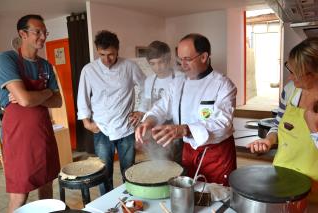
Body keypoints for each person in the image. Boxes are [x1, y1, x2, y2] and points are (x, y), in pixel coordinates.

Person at [135, 33, 237, 186]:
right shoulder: (178, 84)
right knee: (191, 192)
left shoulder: (223, 85)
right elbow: (161, 107)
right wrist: (148, 122)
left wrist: (184, 130)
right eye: (180, 59)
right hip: (188, 149)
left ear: (204, 57)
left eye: (187, 59)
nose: (182, 65)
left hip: (216, 153)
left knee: (217, 196)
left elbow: (223, 124)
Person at [0, 14, 62, 212]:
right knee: (19, 195)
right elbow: (24, 100)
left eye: (45, 32)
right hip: (19, 137)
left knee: (47, 187)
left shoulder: (46, 66)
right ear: (22, 33)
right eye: (38, 32)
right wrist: (46, 93)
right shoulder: (6, 59)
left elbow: (58, 101)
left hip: (43, 134)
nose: (43, 37)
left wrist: (35, 95)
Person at [247, 37, 318, 203]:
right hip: (281, 176)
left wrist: (314, 130)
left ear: (314, 74)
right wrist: (268, 141)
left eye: (295, 73)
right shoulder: (290, 91)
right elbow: (278, 124)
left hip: (313, 186)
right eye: (289, 69)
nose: (289, 78)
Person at [77, 30, 146, 194]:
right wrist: (87, 123)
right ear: (97, 50)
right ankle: (107, 205)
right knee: (104, 173)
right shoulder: (89, 70)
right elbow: (83, 97)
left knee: (129, 170)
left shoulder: (129, 66)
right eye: (102, 55)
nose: (107, 59)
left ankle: (131, 200)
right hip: (101, 128)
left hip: (126, 128)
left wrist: (141, 111)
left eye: (111, 55)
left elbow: (147, 87)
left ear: (118, 50)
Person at [135, 40, 184, 163]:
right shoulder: (149, 80)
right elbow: (147, 102)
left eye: (161, 62)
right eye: (153, 63)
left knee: (176, 162)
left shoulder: (181, 78)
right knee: (158, 160)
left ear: (168, 59)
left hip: (175, 128)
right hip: (155, 126)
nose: (157, 67)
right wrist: (141, 115)